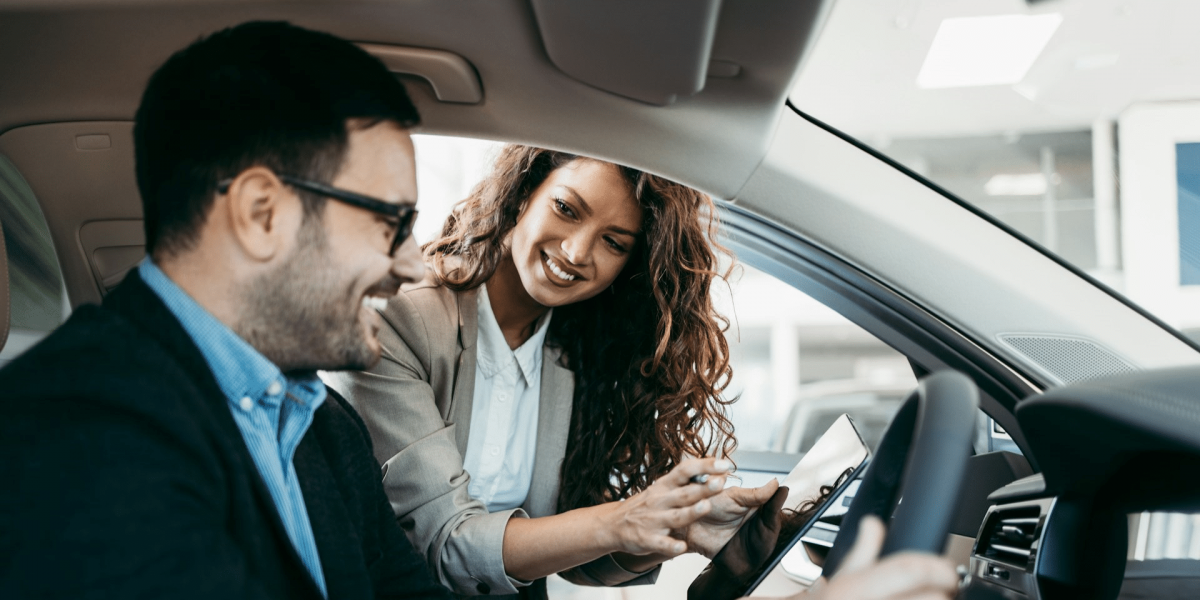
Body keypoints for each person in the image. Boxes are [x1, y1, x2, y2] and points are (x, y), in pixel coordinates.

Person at [0, 21, 449, 599]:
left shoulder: (327, 423)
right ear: (262, 213)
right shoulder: (73, 425)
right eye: (393, 224)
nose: (415, 265)